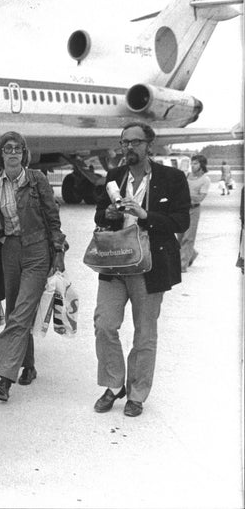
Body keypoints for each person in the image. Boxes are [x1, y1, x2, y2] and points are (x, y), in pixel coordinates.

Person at [92, 122, 190, 418]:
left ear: (150, 144)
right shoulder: (115, 176)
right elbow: (99, 214)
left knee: (144, 334)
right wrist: (108, 214)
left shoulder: (172, 178)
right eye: (124, 143)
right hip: (116, 263)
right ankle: (113, 384)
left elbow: (180, 221)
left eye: (135, 142)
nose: (129, 148)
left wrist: (146, 215)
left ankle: (136, 394)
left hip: (150, 266)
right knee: (104, 325)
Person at [0, 131, 66, 402]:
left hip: (37, 250)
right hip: (10, 251)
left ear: (24, 153)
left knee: (21, 312)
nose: (14, 152)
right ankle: (28, 365)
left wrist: (59, 251)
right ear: (1, 154)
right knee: (17, 310)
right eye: (8, 148)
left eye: (18, 148)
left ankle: (5, 378)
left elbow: (53, 218)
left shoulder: (36, 179)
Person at [177, 154, 211, 272]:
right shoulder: (187, 176)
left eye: (195, 163)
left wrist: (186, 195)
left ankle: (182, 265)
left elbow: (200, 198)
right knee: (180, 236)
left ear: (202, 165)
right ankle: (192, 254)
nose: (192, 165)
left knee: (188, 237)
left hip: (193, 209)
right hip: (182, 209)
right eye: (192, 163)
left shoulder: (205, 180)